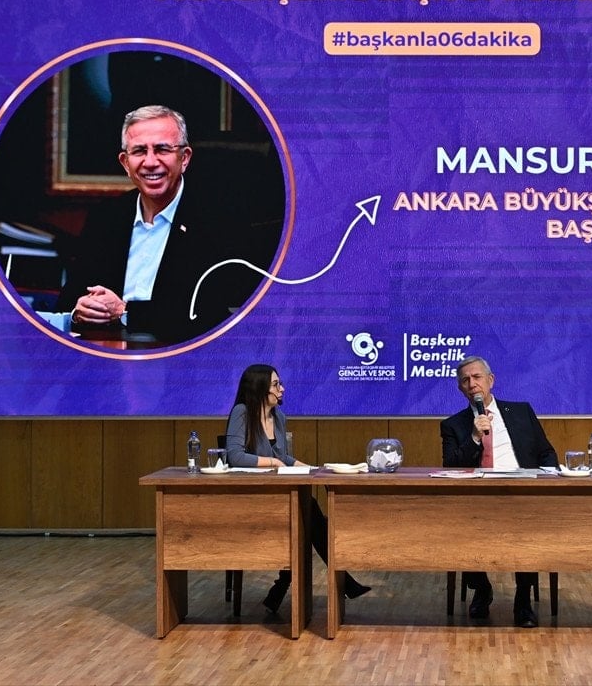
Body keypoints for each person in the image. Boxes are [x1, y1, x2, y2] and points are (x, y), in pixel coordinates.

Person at [53, 104, 268, 344]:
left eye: (162, 149)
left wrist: (125, 312)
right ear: (125, 163)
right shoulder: (106, 217)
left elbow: (211, 312)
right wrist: (80, 310)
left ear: (184, 158)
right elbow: (68, 299)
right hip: (108, 350)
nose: (150, 162)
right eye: (139, 151)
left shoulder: (220, 221)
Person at [225, 363, 371, 612]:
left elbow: (283, 457)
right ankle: (340, 581)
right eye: (275, 384)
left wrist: (313, 468)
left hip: (280, 495)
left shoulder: (279, 417)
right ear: (259, 388)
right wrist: (272, 462)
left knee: (306, 514)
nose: (281, 389)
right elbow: (235, 456)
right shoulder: (242, 413)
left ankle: (282, 587)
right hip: (251, 498)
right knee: (308, 513)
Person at [440, 355, 558, 628]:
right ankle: (482, 589)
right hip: (477, 496)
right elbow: (451, 465)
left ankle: (523, 599)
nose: (472, 384)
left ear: (490, 380)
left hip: (522, 491)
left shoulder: (521, 412)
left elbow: (546, 452)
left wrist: (548, 482)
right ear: (460, 388)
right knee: (461, 525)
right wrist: (473, 437)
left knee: (526, 529)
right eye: (465, 380)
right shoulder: (453, 425)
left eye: (477, 377)